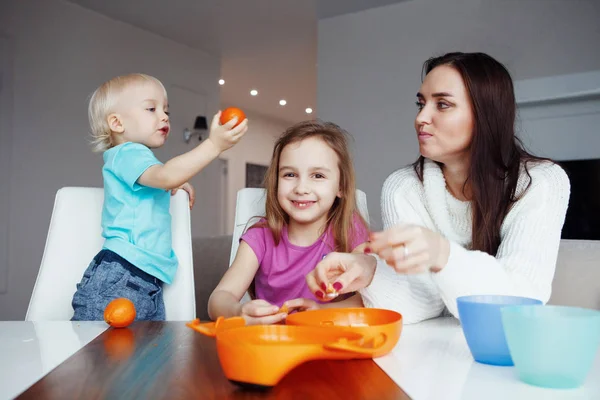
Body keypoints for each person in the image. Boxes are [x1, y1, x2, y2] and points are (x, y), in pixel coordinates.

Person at [306, 52, 570, 324]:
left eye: (442, 104)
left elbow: (521, 303)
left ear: (486, 114)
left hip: (510, 351)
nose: (421, 117)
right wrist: (370, 270)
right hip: (435, 348)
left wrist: (442, 254)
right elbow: (422, 304)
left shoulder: (541, 181)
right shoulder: (403, 187)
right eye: (421, 104)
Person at [71, 73, 248, 321]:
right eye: (151, 108)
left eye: (166, 110)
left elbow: (161, 178)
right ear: (117, 123)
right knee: (97, 352)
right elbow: (164, 176)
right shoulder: (127, 153)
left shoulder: (137, 160)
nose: (164, 116)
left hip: (142, 278)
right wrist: (214, 146)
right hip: (123, 274)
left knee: (131, 354)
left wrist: (172, 182)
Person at [208, 120, 369, 325]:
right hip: (272, 345)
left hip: (329, 339)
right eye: (290, 174)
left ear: (341, 187)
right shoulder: (260, 236)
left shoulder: (350, 229)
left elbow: (368, 298)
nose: (301, 188)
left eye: (317, 175)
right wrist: (237, 311)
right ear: (276, 182)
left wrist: (323, 311)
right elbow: (219, 298)